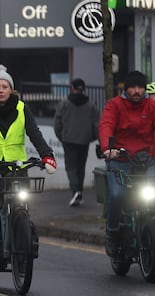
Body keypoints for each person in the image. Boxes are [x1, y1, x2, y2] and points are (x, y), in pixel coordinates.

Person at [0, 65, 57, 235]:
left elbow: (35, 134)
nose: (1, 90)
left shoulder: (22, 109)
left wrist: (47, 155)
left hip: (16, 166)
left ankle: (22, 231)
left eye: (5, 87)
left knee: (21, 200)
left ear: (11, 89)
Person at [98, 71, 155, 256]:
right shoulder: (115, 105)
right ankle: (112, 232)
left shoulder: (152, 106)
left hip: (145, 160)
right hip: (120, 160)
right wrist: (107, 148)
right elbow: (106, 125)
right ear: (126, 88)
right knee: (117, 195)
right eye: (133, 87)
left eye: (140, 87)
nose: (136, 91)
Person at [53, 78, 99, 207]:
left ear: (72, 88)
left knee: (71, 167)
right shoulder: (91, 105)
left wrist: (61, 136)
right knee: (80, 167)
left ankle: (75, 191)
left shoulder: (64, 104)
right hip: (84, 141)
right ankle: (79, 191)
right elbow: (97, 124)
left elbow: (57, 122)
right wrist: (92, 137)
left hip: (68, 140)